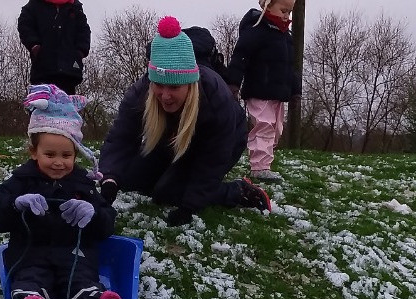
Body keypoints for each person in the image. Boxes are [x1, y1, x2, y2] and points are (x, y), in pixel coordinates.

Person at [98, 16, 271, 228]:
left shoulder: (215, 97)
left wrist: (189, 206)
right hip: (171, 135)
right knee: (131, 179)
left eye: (174, 87)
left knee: (168, 192)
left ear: (190, 85)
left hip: (224, 139)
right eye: (159, 86)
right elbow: (121, 138)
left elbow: (212, 160)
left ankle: (238, 191)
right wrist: (109, 179)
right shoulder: (140, 92)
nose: (165, 95)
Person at [0, 84, 121, 299]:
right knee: (30, 284)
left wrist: (92, 213)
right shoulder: (22, 181)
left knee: (82, 284)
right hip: (31, 252)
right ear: (34, 152)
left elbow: (107, 223)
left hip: (74, 254)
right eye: (50, 154)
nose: (59, 162)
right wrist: (16, 205)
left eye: (67, 155)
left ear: (76, 154)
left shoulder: (83, 183)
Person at [225, 0, 301, 182]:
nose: (286, 16)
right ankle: (260, 167)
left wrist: (295, 91)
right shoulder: (256, 32)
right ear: (267, 6)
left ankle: (263, 161)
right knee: (264, 125)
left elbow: (291, 67)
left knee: (276, 129)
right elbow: (240, 57)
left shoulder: (286, 37)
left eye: (289, 12)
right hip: (259, 90)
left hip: (278, 93)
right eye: (283, 10)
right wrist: (233, 83)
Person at [18, 0, 91, 95]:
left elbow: (84, 31)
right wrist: (35, 46)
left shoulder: (75, 7)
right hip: (42, 69)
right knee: (41, 105)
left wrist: (79, 52)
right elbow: (25, 26)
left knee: (66, 106)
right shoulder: (34, 5)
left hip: (69, 71)